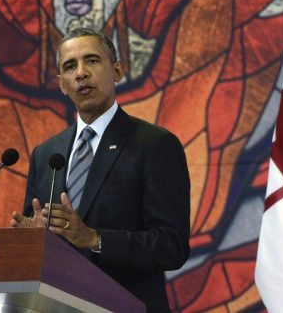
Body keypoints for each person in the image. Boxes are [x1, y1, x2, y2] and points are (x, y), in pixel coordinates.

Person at [10, 26, 191, 312]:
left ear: (117, 71)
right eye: (70, 66)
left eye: (92, 60)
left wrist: (94, 239)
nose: (80, 72)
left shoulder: (154, 145)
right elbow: (43, 249)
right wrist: (33, 241)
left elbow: (171, 246)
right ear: (61, 84)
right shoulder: (45, 154)